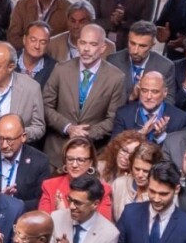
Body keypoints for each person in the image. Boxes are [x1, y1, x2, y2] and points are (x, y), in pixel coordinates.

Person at [43, 23, 126, 163]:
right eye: (82, 43)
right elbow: (45, 106)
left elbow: (114, 118)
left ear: (103, 48)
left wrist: (85, 134)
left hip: (92, 154)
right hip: (56, 153)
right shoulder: (61, 69)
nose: (86, 49)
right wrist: (68, 128)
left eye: (93, 44)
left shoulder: (116, 78)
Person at [38, 136, 115, 221]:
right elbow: (43, 223)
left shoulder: (103, 190)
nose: (74, 165)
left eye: (81, 160)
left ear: (90, 163)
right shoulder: (50, 186)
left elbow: (102, 228)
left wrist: (63, 213)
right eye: (70, 159)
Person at [114, 71, 186, 146]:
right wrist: (140, 134)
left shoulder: (180, 119)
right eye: (144, 91)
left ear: (165, 92)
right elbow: (114, 148)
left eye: (155, 92)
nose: (148, 96)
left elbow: (177, 153)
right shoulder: (123, 114)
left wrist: (161, 137)